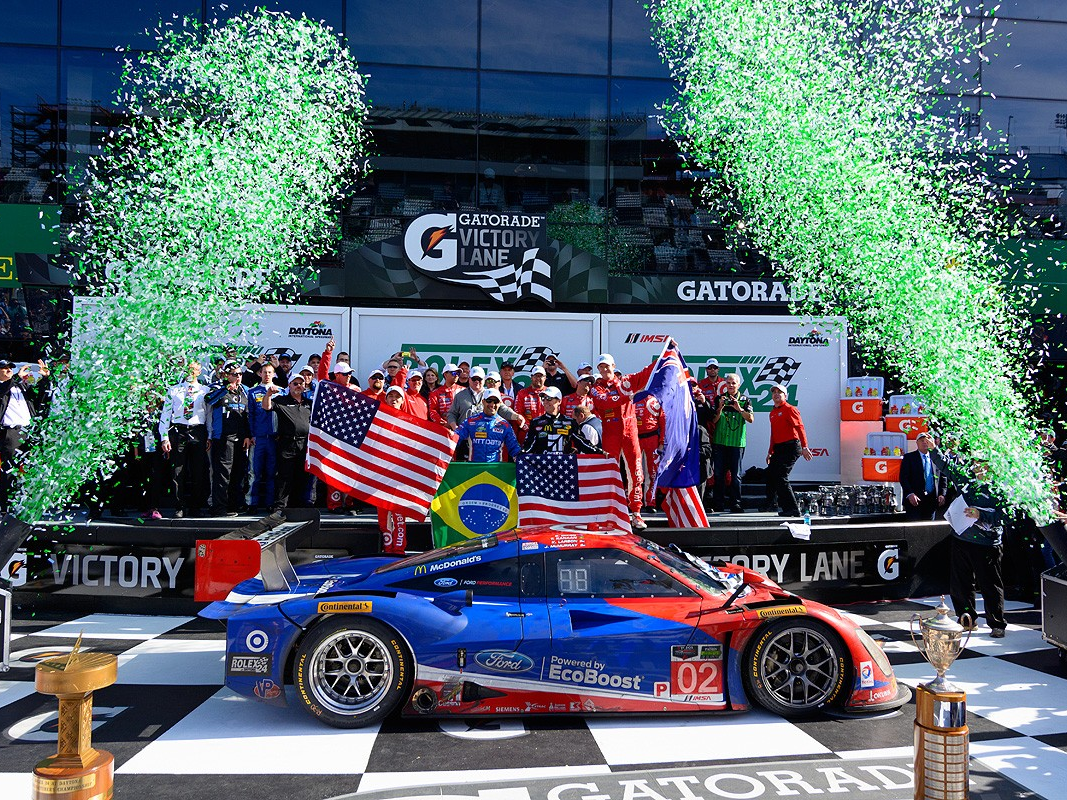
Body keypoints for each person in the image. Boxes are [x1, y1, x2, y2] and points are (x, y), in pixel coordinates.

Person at [589, 352, 656, 530]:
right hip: (611, 432)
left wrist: (662, 357)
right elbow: (604, 403)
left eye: (607, 366)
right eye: (601, 367)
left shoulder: (625, 382)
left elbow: (645, 374)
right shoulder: (596, 387)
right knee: (608, 472)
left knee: (636, 472)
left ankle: (636, 513)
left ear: (614, 366)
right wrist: (628, 396)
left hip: (630, 431)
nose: (604, 370)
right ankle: (607, 513)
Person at [942, 456, 1008, 637]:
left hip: (987, 544)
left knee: (990, 584)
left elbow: (1007, 516)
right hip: (961, 539)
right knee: (961, 583)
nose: (978, 467)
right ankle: (966, 619)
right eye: (975, 463)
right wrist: (933, 450)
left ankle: (997, 623)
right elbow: (947, 467)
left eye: (982, 463)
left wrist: (981, 515)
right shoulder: (967, 483)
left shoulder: (1000, 489)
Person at [160, 359, 211, 517]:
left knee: (198, 471)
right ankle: (179, 506)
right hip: (179, 430)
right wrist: (164, 437)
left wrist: (209, 435)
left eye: (194, 370)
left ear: (199, 371)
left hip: (198, 431)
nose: (191, 373)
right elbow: (166, 415)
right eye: (188, 370)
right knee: (178, 471)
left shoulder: (205, 390)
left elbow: (208, 415)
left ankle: (196, 507)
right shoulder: (174, 390)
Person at [0, 358, 51, 512]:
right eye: (5, 368)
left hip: (28, 431)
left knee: (30, 468)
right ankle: (7, 505)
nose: (9, 370)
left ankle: (25, 501)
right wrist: (17, 378)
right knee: (11, 470)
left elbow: (38, 392)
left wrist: (44, 377)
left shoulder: (18, 386)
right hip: (12, 433)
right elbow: (3, 391)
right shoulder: (4, 386)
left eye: (11, 368)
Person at [206, 361, 251, 516]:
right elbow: (209, 400)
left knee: (238, 473)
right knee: (222, 474)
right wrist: (226, 388)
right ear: (226, 375)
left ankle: (234, 505)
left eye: (239, 374)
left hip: (240, 438)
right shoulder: (218, 388)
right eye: (234, 374)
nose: (237, 377)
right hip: (223, 438)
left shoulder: (245, 391)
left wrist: (247, 435)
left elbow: (247, 415)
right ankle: (219, 507)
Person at [262, 375, 312, 513]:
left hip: (304, 444)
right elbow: (266, 407)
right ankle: (280, 506)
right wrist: (268, 394)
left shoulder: (309, 403)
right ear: (289, 385)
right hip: (287, 442)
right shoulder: (281, 400)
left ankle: (297, 506)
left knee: (302, 476)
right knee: (284, 476)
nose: (298, 386)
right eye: (295, 383)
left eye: (301, 384)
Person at [763, 383, 812, 517]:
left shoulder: (790, 409)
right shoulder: (772, 413)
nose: (776, 394)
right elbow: (774, 433)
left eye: (780, 392)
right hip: (779, 448)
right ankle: (771, 504)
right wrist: (770, 451)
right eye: (774, 392)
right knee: (772, 474)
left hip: (791, 446)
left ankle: (793, 509)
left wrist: (804, 447)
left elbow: (800, 427)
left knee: (781, 476)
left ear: (785, 396)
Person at [711, 373, 755, 513]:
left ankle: (736, 504)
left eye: (733, 383)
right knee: (718, 475)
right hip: (720, 442)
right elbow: (713, 420)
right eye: (728, 383)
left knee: (735, 475)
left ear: (739, 384)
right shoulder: (719, 398)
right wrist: (720, 408)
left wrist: (739, 409)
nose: (731, 385)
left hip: (736, 443)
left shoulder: (745, 400)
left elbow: (751, 419)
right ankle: (718, 503)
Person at [453, 388, 520, 463]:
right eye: (489, 401)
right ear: (483, 402)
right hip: (474, 469)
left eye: (496, 401)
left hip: (495, 470)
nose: (492, 404)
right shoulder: (470, 421)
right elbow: (454, 439)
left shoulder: (504, 425)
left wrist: (521, 459)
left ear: (500, 403)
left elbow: (514, 448)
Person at [247, 362, 279, 512]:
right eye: (264, 372)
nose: (267, 375)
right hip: (258, 438)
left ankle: (270, 503)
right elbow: (250, 415)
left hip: (274, 438)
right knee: (255, 472)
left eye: (270, 372)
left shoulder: (281, 392)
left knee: (272, 473)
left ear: (274, 374)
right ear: (260, 374)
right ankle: (252, 503)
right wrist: (251, 434)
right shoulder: (253, 392)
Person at [899, 431, 947, 520]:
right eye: (921, 440)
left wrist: (942, 494)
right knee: (914, 529)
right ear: (917, 442)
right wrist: (910, 494)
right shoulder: (909, 458)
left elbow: (943, 477)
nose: (925, 442)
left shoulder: (936, 458)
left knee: (929, 530)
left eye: (927, 440)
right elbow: (903, 478)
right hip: (914, 501)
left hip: (931, 501)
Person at [523, 387, 576, 453]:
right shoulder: (536, 422)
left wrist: (592, 451)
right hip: (543, 462)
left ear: (559, 401)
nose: (545, 402)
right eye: (543, 399)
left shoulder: (571, 422)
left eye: (549, 398)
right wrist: (522, 453)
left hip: (563, 462)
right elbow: (529, 445)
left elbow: (581, 443)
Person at [634, 392, 662, 510]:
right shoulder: (632, 400)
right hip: (636, 439)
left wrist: (661, 443)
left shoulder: (655, 400)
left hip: (652, 438)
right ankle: (635, 501)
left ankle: (650, 502)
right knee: (635, 471)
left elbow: (663, 422)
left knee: (652, 471)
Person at [515, 366, 547, 445]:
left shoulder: (550, 392)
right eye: (535, 376)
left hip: (547, 431)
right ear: (531, 377)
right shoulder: (522, 393)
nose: (538, 378)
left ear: (545, 378)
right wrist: (529, 428)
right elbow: (518, 412)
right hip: (527, 432)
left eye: (540, 376)